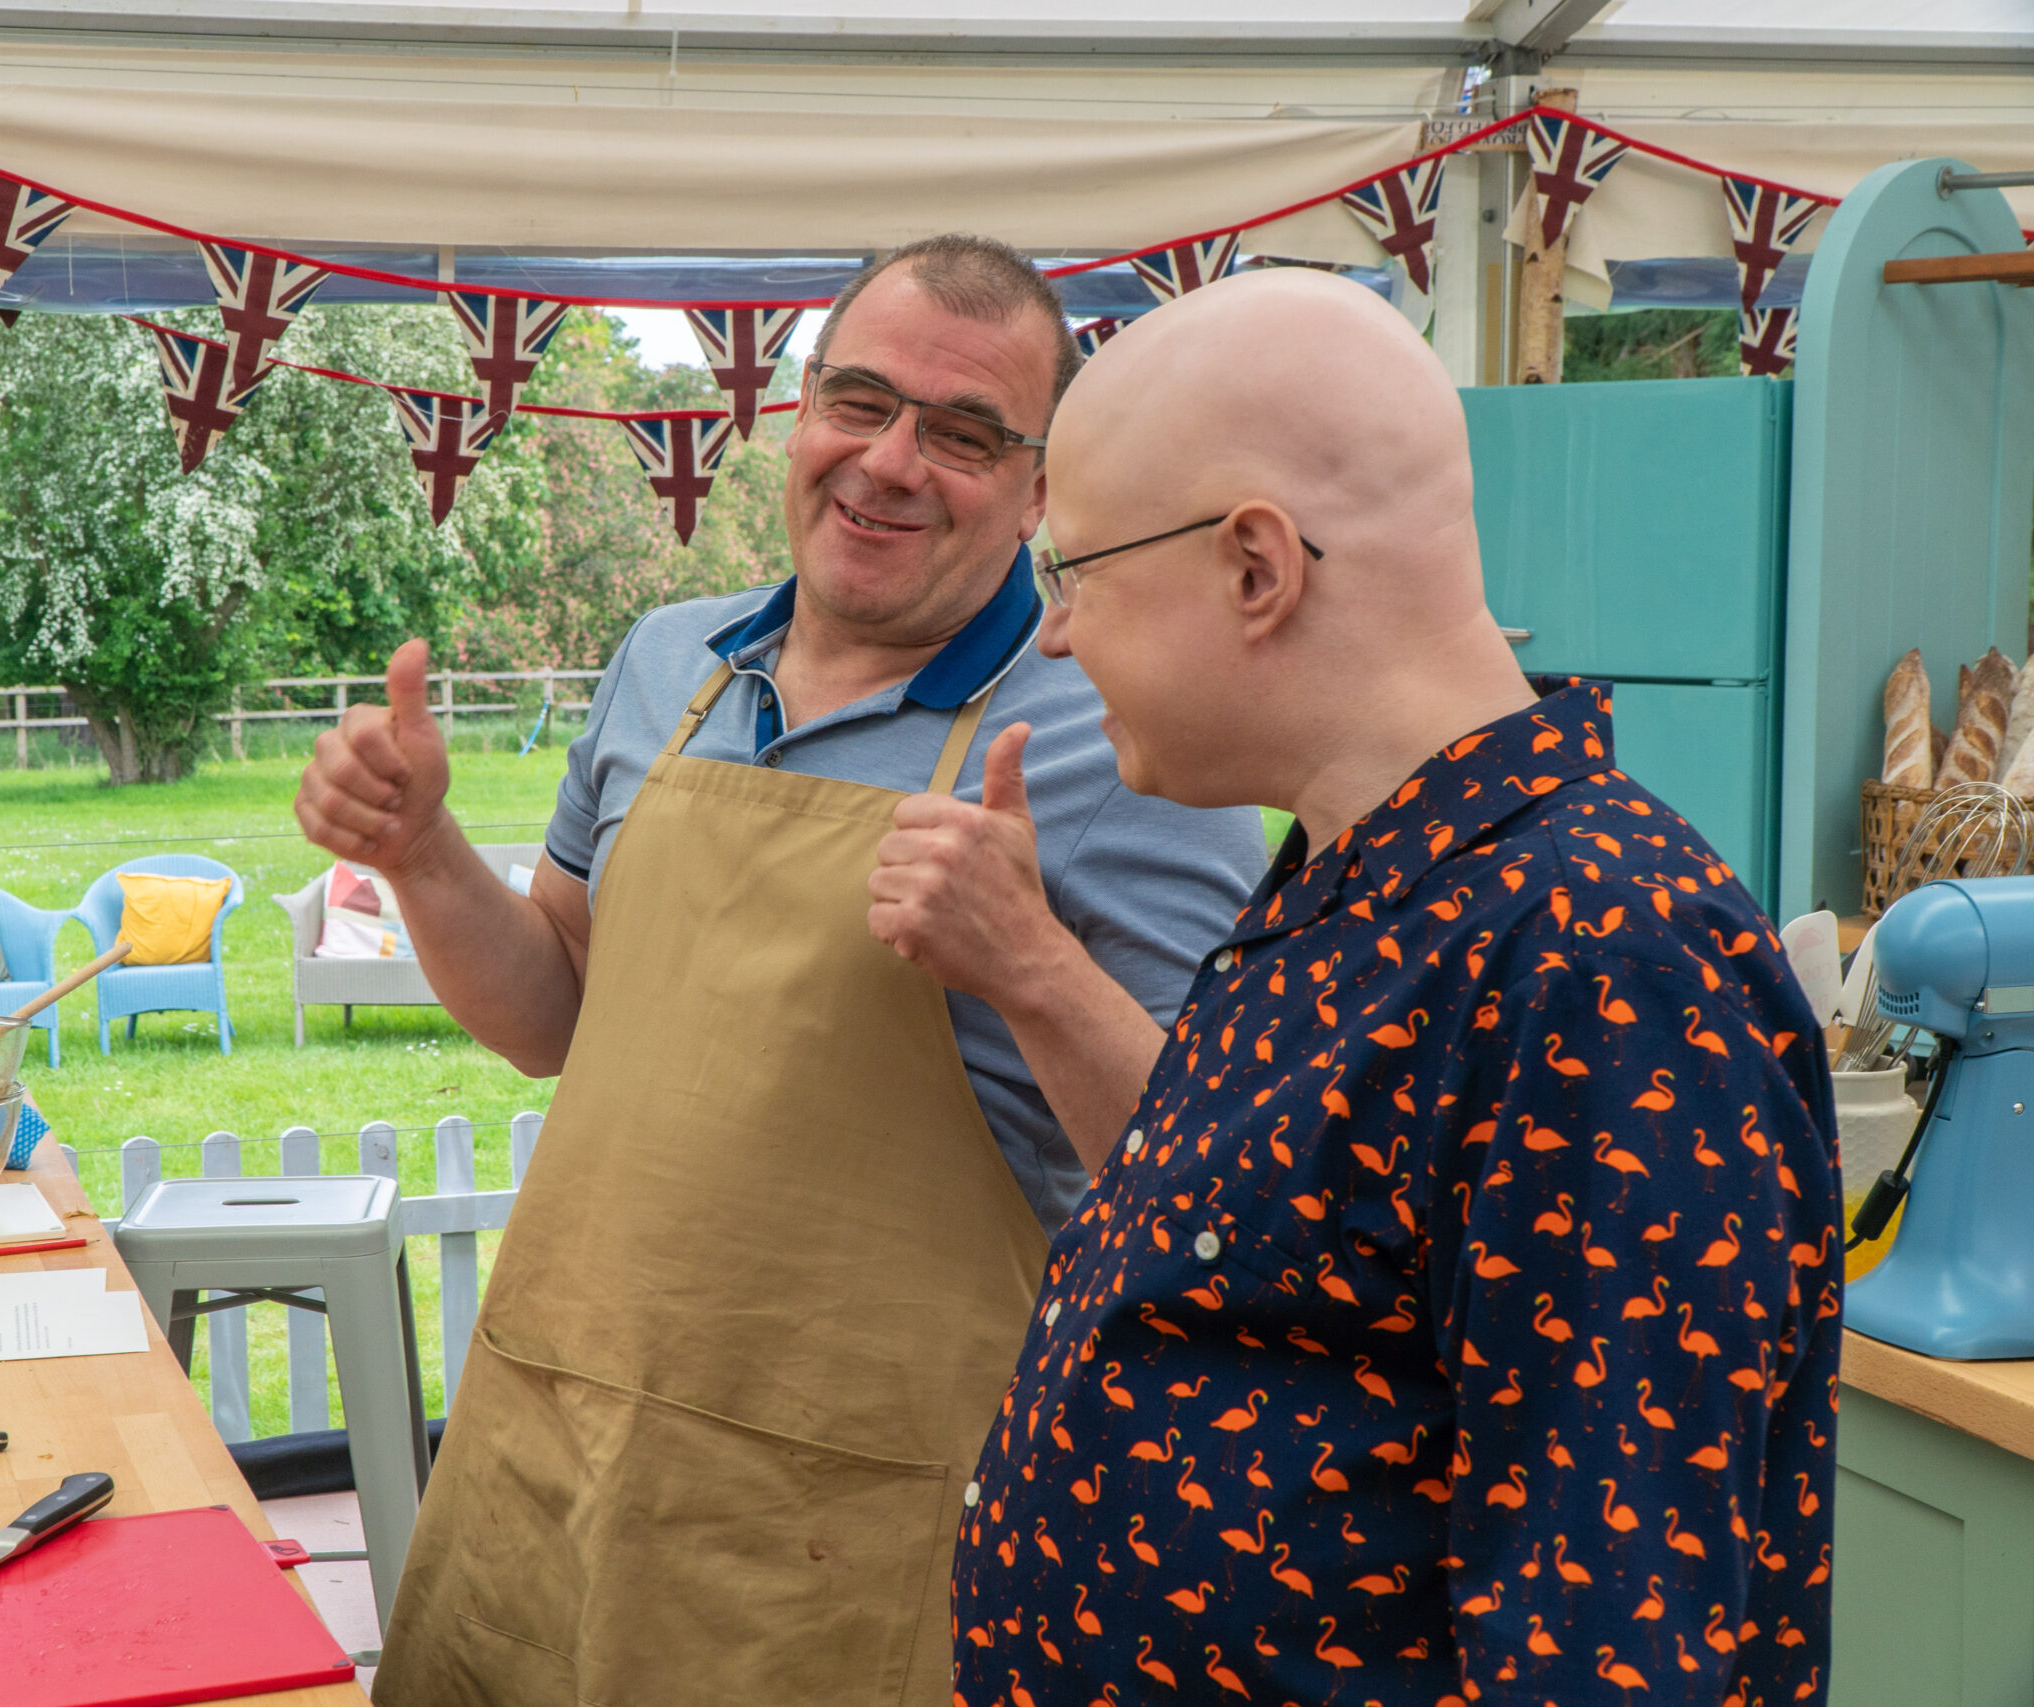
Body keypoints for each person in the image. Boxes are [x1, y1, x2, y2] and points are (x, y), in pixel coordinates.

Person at [291, 234, 1265, 1703]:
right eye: (858, 402)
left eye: (961, 433)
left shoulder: (1123, 735)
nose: (887, 463)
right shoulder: (665, 662)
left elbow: (1220, 1194)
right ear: (796, 408)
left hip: (849, 1544)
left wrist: (1033, 965)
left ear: (1039, 485)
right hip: (554, 1458)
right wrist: (425, 854)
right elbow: (552, 1012)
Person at [950, 269, 1839, 1707]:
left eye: (1074, 574)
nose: (1054, 634)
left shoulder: (1597, 958)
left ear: (1257, 566)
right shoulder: (1351, 883)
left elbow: (1604, 1639)